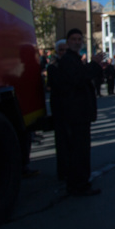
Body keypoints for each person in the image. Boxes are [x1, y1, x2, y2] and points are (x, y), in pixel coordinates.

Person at [59, 28, 103, 196]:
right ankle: (79, 185)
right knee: (79, 151)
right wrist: (94, 64)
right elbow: (79, 78)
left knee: (80, 150)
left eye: (79, 39)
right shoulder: (68, 61)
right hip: (76, 114)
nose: (77, 42)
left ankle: (78, 182)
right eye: (74, 39)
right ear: (68, 41)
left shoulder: (74, 59)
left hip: (80, 114)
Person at [46, 38, 68, 180]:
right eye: (61, 50)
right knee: (61, 143)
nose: (63, 53)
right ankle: (63, 172)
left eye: (66, 50)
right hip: (60, 109)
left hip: (72, 110)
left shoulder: (73, 64)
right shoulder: (53, 67)